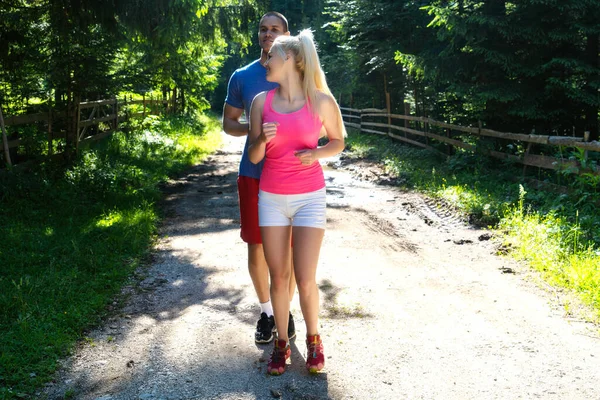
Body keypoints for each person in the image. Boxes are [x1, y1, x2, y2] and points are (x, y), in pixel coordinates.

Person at [247, 29, 346, 375]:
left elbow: (338, 142)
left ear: (289, 59)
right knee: (279, 276)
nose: (266, 60)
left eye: (272, 55)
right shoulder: (261, 101)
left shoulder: (321, 101)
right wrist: (261, 137)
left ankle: (314, 340)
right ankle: (281, 344)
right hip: (272, 198)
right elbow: (255, 156)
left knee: (305, 278)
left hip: (309, 198)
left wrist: (316, 153)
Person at [222, 12, 297, 344]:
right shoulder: (242, 76)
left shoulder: (299, 74)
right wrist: (255, 132)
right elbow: (228, 124)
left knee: (290, 249)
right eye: (263, 29)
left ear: (286, 35)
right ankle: (268, 313)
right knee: (257, 246)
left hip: (291, 175)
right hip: (253, 173)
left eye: (275, 30)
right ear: (258, 35)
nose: (268, 34)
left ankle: (286, 310)